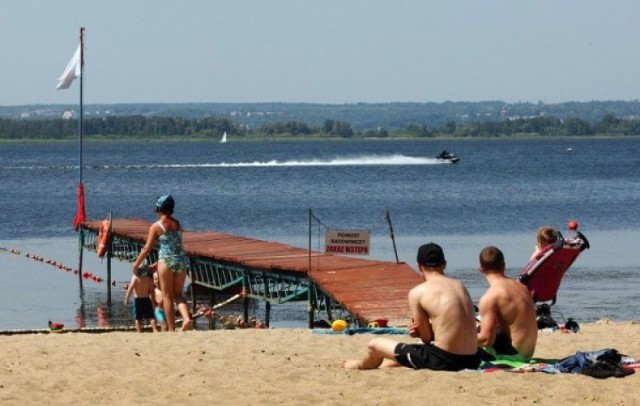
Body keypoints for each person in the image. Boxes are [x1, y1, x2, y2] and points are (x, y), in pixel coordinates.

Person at [343, 243, 481, 371]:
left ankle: (358, 365)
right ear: (444, 264)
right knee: (404, 355)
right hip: (473, 358)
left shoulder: (417, 292)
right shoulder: (459, 285)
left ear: (419, 266)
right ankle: (384, 365)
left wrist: (417, 332)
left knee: (375, 344)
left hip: (444, 361)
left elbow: (426, 339)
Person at [132, 194, 192, 332]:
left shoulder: (156, 226)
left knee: (167, 296)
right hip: (182, 261)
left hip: (166, 262)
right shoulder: (177, 224)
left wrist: (136, 265)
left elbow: (147, 248)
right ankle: (186, 318)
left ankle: (171, 329)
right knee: (178, 294)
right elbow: (174, 245)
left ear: (159, 208)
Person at [477, 246, 538, 361]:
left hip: (514, 356)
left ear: (481, 269)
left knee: (470, 337)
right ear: (504, 265)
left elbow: (486, 340)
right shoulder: (522, 287)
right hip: (528, 353)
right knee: (478, 327)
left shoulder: (490, 296)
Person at [124, 266, 159, 333]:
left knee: (137, 318)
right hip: (146, 299)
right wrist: (154, 300)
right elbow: (152, 291)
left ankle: (139, 331)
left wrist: (127, 298)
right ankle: (155, 329)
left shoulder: (135, 278)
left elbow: (130, 289)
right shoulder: (149, 279)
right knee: (151, 316)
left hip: (137, 299)